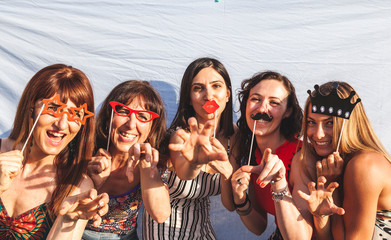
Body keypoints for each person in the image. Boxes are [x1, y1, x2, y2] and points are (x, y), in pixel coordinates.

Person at [0, 64, 109, 240]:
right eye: (53, 109)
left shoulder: (77, 185)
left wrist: (69, 219)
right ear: (31, 108)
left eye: (75, 114)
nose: (62, 124)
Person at [143, 57, 239, 239]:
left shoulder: (233, 135)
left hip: (202, 228)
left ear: (227, 94)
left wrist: (227, 175)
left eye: (216, 86)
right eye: (198, 88)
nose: (209, 96)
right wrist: (194, 162)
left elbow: (230, 205)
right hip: (164, 229)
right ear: (188, 98)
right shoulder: (180, 137)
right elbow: (185, 173)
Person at [297, 81, 391, 239]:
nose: (318, 134)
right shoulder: (333, 165)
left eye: (329, 123)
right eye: (311, 122)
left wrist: (329, 182)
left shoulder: (364, 165)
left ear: (350, 124)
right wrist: (321, 216)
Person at [83, 80, 171, 240]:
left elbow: (160, 215)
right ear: (109, 117)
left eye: (143, 117)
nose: (131, 124)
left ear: (152, 128)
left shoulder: (155, 164)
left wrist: (146, 165)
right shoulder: (84, 152)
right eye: (123, 111)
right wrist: (89, 181)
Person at [230, 71, 303, 239]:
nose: (262, 108)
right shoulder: (254, 155)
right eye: (256, 99)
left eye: (274, 103)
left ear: (287, 112)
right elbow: (259, 227)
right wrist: (240, 199)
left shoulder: (299, 155)